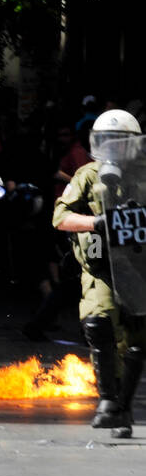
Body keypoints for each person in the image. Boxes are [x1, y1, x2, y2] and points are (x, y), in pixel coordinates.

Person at [53, 108, 146, 437]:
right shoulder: (87, 175)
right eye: (107, 141)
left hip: (137, 268)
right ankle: (108, 401)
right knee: (98, 321)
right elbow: (61, 218)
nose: (113, 147)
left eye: (120, 142)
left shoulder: (143, 175)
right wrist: (96, 223)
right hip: (100, 269)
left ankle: (123, 408)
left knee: (136, 339)